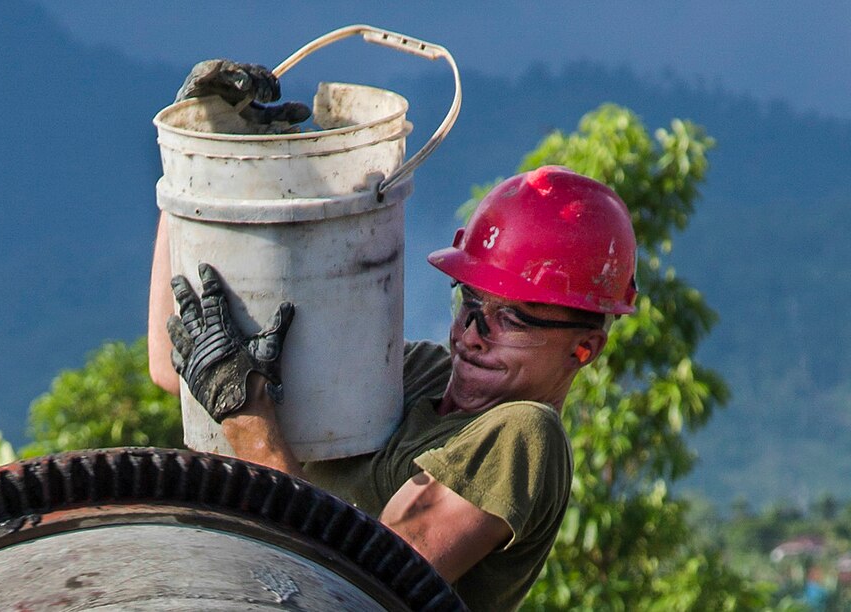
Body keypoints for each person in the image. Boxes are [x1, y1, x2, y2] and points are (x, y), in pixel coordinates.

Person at [148, 61, 638, 611]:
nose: (472, 335)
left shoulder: (522, 436)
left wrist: (246, 416)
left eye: (514, 319)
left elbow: (357, 592)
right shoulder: (413, 374)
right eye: (470, 303)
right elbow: (176, 367)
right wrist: (196, 163)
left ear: (584, 347)